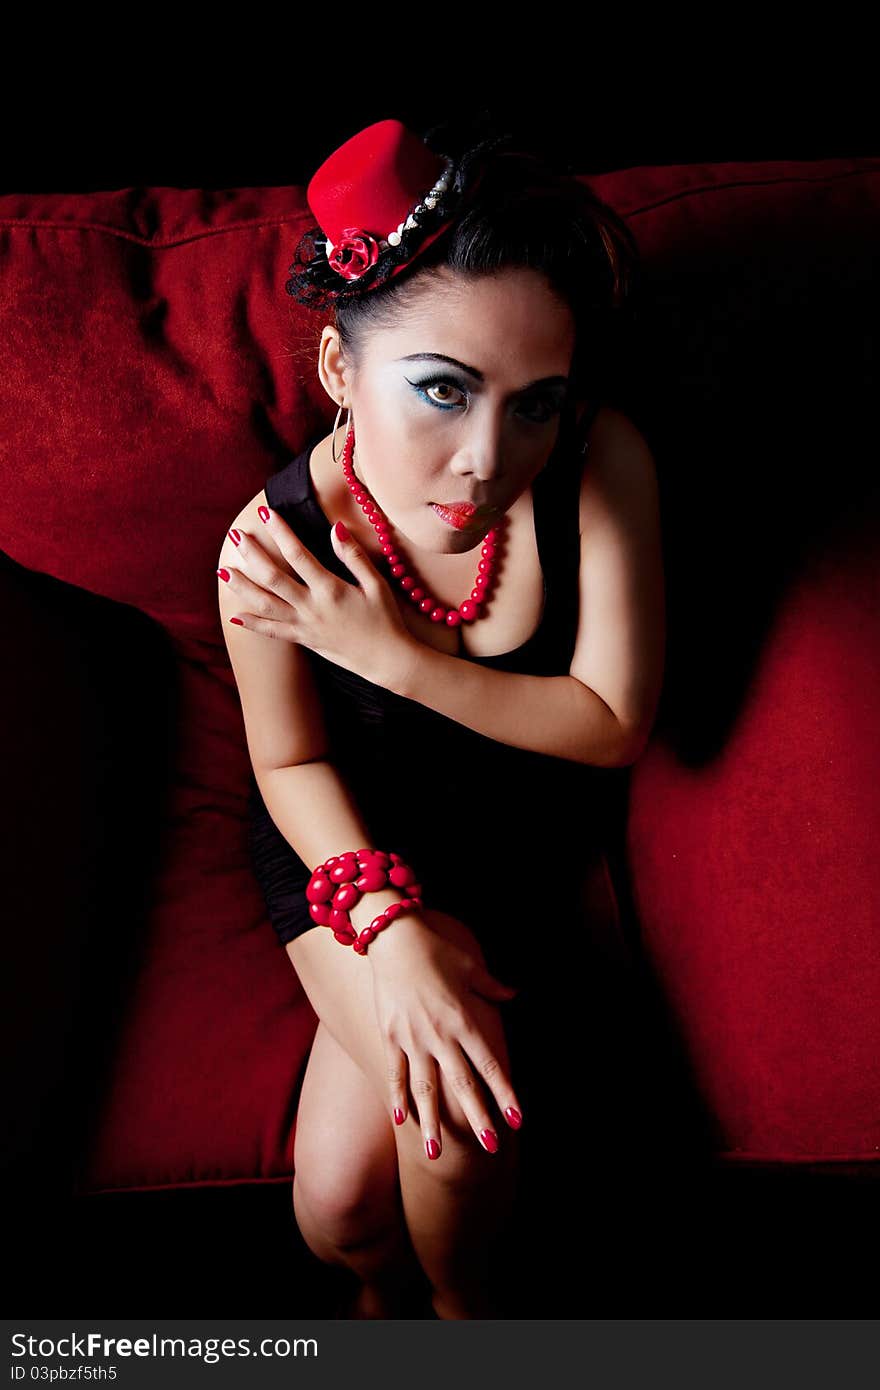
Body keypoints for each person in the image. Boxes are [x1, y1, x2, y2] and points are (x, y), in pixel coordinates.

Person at [216, 115, 665, 1319]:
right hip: (341, 840)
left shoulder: (595, 459)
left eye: (533, 404)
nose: (486, 458)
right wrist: (388, 926)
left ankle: (468, 1322)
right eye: (442, 390)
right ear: (336, 372)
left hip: (510, 839)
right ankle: (385, 1301)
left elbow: (612, 723)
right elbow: (288, 757)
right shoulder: (272, 551)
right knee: (348, 1218)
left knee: (384, 1180)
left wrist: (385, 653)